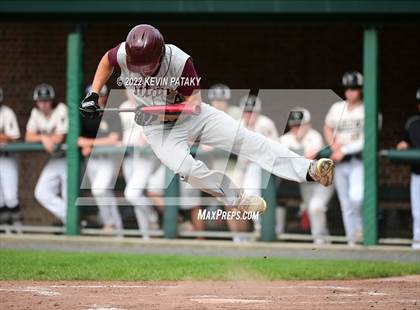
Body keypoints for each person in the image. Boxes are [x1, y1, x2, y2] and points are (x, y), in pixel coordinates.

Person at [80, 24, 334, 216]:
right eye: (138, 64)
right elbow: (106, 61)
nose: (142, 70)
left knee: (247, 139)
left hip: (191, 116)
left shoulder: (180, 62)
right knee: (187, 169)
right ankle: (237, 199)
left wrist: (157, 111)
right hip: (158, 130)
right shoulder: (126, 53)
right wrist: (93, 93)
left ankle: (309, 170)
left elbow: (194, 105)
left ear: (159, 55)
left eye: (147, 65)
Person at [280, 107, 334, 244]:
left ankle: (319, 242)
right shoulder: (285, 139)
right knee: (313, 212)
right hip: (306, 183)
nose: (297, 129)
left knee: (316, 207)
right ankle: (325, 241)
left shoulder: (314, 136)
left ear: (308, 125)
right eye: (294, 125)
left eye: (300, 125)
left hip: (323, 181)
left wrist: (289, 155)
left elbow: (309, 155)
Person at [324, 71, 364, 246]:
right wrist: (333, 145)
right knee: (345, 204)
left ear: (360, 90)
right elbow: (327, 126)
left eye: (354, 88)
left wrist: (345, 149)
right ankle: (352, 241)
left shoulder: (368, 108)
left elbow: (367, 139)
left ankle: (361, 230)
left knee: (357, 198)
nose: (350, 92)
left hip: (358, 160)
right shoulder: (337, 108)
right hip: (340, 162)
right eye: (347, 88)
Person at [79, 85, 123, 234]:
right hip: (92, 159)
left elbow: (114, 138)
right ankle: (115, 225)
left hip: (108, 158)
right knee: (104, 191)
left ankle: (110, 223)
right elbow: (78, 139)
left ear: (104, 96)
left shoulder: (111, 113)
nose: (98, 99)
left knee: (98, 189)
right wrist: (85, 143)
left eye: (101, 95)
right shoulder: (85, 114)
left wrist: (90, 143)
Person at [120, 89, 160, 239]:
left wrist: (145, 136)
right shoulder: (123, 107)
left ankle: (152, 217)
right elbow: (120, 132)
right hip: (129, 156)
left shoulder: (149, 105)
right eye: (129, 89)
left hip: (146, 157)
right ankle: (146, 235)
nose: (132, 92)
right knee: (137, 196)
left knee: (131, 194)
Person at [25, 84, 68, 224]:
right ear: (36, 102)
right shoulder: (35, 113)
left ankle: (71, 222)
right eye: (40, 101)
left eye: (46, 100)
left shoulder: (61, 109)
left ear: (52, 101)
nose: (43, 104)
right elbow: (28, 137)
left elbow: (60, 137)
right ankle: (71, 218)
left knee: (69, 196)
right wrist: (43, 138)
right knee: (41, 192)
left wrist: (45, 137)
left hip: (70, 158)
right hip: (56, 159)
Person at [396, 88, 420, 250]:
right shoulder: (413, 123)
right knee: (418, 212)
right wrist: (402, 145)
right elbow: (404, 142)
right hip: (417, 173)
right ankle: (417, 243)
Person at [0, 87, 22, 227]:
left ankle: (18, 229)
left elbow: (14, 137)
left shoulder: (6, 113)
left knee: (10, 197)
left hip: (7, 157)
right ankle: (4, 229)